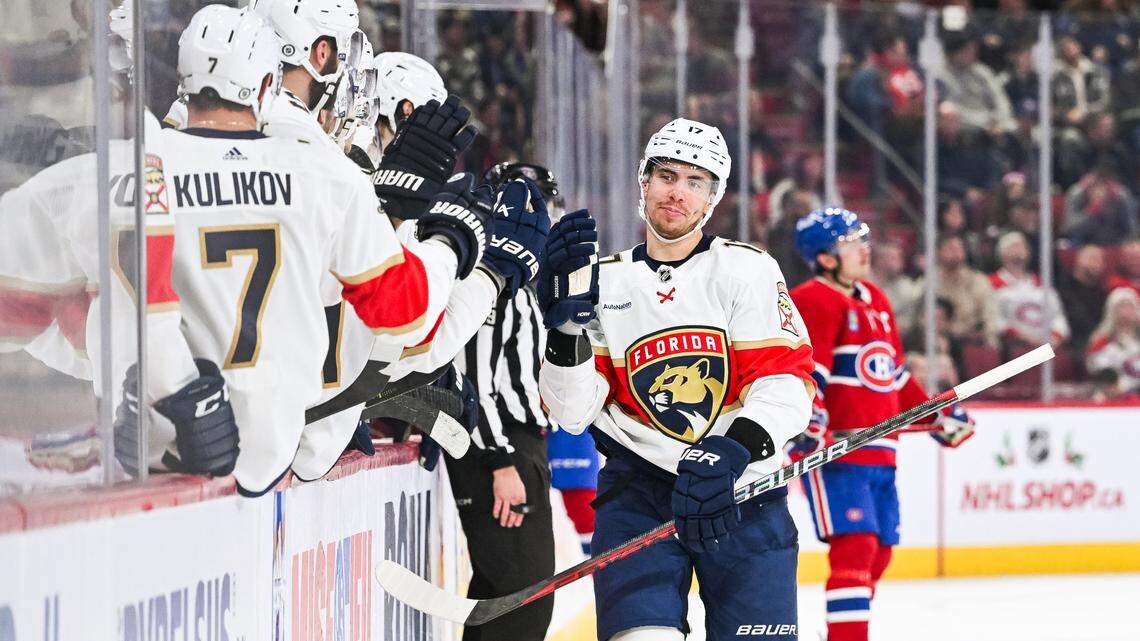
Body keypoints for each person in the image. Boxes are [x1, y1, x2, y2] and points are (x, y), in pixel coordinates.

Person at [149, 4, 488, 496]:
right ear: (318, 52)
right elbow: (406, 316)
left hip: (156, 447)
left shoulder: (145, 158)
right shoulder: (325, 174)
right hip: (270, 450)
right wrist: (457, 248)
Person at [539, 118, 815, 641]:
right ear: (643, 183)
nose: (678, 193)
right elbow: (573, 412)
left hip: (744, 493)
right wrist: (564, 333)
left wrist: (735, 449)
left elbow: (786, 381)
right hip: (638, 498)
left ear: (714, 198)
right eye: (666, 176)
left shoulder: (746, 271)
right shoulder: (603, 281)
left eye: (696, 182)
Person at [788, 208, 975, 641]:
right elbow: (807, 371)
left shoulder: (876, 299)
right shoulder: (813, 298)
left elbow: (891, 373)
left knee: (881, 551)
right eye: (851, 242)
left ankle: (842, 630)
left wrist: (937, 414)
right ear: (826, 257)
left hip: (881, 448)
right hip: (839, 450)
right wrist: (808, 422)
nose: (864, 248)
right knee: (856, 547)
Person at [439, 162, 562, 641]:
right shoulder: (493, 279)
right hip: (499, 444)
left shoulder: (516, 278)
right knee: (523, 602)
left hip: (513, 443)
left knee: (500, 594)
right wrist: (499, 461)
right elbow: (473, 379)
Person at [988, 231, 1070, 351]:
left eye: (1023, 245)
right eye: (1014, 245)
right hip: (1013, 348)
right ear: (1002, 253)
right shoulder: (992, 283)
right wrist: (1021, 337)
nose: (1020, 248)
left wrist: (1055, 337)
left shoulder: (1042, 284)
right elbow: (995, 319)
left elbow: (1058, 316)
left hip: (1047, 347)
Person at [1085, 287, 1140, 397]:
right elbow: (1100, 372)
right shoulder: (1100, 342)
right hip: (1114, 396)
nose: (1126, 311)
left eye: (1130, 305)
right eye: (1122, 306)